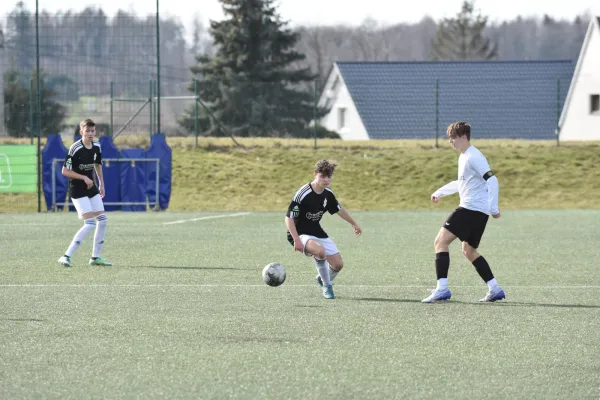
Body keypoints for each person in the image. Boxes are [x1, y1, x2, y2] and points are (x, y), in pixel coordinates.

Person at [422, 121, 504, 303]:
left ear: (464, 137)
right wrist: (439, 192)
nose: (451, 142)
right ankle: (495, 288)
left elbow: (493, 181)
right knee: (468, 250)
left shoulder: (474, 156)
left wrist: (494, 208)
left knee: (440, 241)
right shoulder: (465, 156)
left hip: (470, 209)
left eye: (453, 138)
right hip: (477, 211)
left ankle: (442, 289)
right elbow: (462, 183)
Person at [285, 160, 362, 299]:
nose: (326, 180)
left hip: (316, 230)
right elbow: (289, 218)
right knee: (320, 251)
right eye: (322, 176)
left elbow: (339, 209)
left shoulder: (328, 194)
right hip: (299, 233)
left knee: (338, 265)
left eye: (329, 176)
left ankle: (322, 278)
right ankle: (327, 286)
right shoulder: (303, 193)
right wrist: (296, 239)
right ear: (315, 174)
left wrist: (353, 223)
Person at [58, 119, 112, 267]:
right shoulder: (75, 148)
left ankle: (95, 258)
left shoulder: (97, 146)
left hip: (90, 187)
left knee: (102, 220)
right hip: (77, 188)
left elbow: (97, 164)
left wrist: (101, 183)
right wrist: (83, 177)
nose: (90, 133)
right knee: (89, 224)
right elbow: (64, 171)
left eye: (92, 131)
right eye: (87, 131)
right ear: (81, 132)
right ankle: (66, 256)